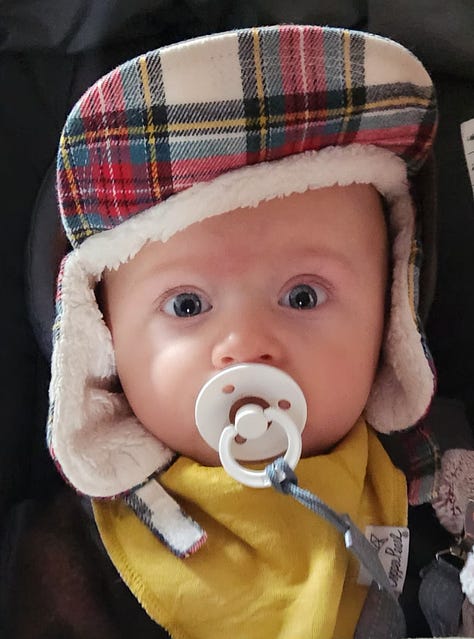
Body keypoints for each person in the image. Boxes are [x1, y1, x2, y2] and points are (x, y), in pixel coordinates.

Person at [31, 23, 471, 638]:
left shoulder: (429, 481)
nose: (245, 343)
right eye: (186, 305)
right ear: (104, 345)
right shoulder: (72, 560)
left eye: (303, 295)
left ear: (390, 327)